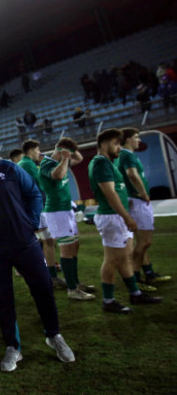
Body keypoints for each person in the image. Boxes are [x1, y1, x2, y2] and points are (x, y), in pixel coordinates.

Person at [0, 134, 74, 372]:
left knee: (43, 289)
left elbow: (34, 193)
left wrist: (29, 222)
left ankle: (54, 335)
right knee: (4, 298)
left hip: (25, 244)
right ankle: (13, 346)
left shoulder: (9, 169)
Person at [87, 128, 162, 314]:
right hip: (112, 216)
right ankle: (108, 300)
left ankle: (135, 293)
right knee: (112, 260)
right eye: (115, 143)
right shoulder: (100, 163)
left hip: (117, 215)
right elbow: (110, 194)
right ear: (103, 144)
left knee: (125, 258)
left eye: (120, 143)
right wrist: (127, 217)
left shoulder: (109, 162)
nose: (119, 147)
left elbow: (117, 190)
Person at [39, 138, 96, 301]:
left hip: (65, 210)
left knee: (74, 245)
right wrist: (64, 157)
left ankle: (75, 283)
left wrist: (71, 149)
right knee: (67, 248)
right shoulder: (47, 164)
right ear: (59, 151)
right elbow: (59, 175)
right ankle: (72, 289)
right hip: (56, 212)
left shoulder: (61, 161)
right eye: (67, 153)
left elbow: (79, 159)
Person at [115, 128, 171, 290]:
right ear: (127, 140)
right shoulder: (128, 155)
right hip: (138, 201)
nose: (139, 140)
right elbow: (132, 174)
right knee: (145, 241)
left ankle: (149, 273)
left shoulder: (123, 155)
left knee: (141, 241)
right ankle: (136, 278)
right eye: (136, 137)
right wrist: (143, 192)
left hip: (133, 200)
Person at [18, 140, 66, 291]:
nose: (39, 153)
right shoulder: (27, 164)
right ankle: (51, 277)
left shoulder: (24, 164)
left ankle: (48, 275)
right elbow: (41, 183)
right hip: (37, 209)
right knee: (48, 241)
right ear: (30, 150)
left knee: (46, 242)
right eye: (37, 150)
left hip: (35, 209)